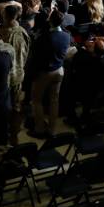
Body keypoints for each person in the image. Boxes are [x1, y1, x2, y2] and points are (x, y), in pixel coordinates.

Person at [28, 9, 70, 138]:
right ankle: (52, 130)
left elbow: (36, 57)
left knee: (36, 100)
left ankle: (40, 128)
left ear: (50, 21)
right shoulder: (66, 35)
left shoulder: (44, 38)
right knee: (54, 101)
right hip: (59, 70)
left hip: (45, 72)